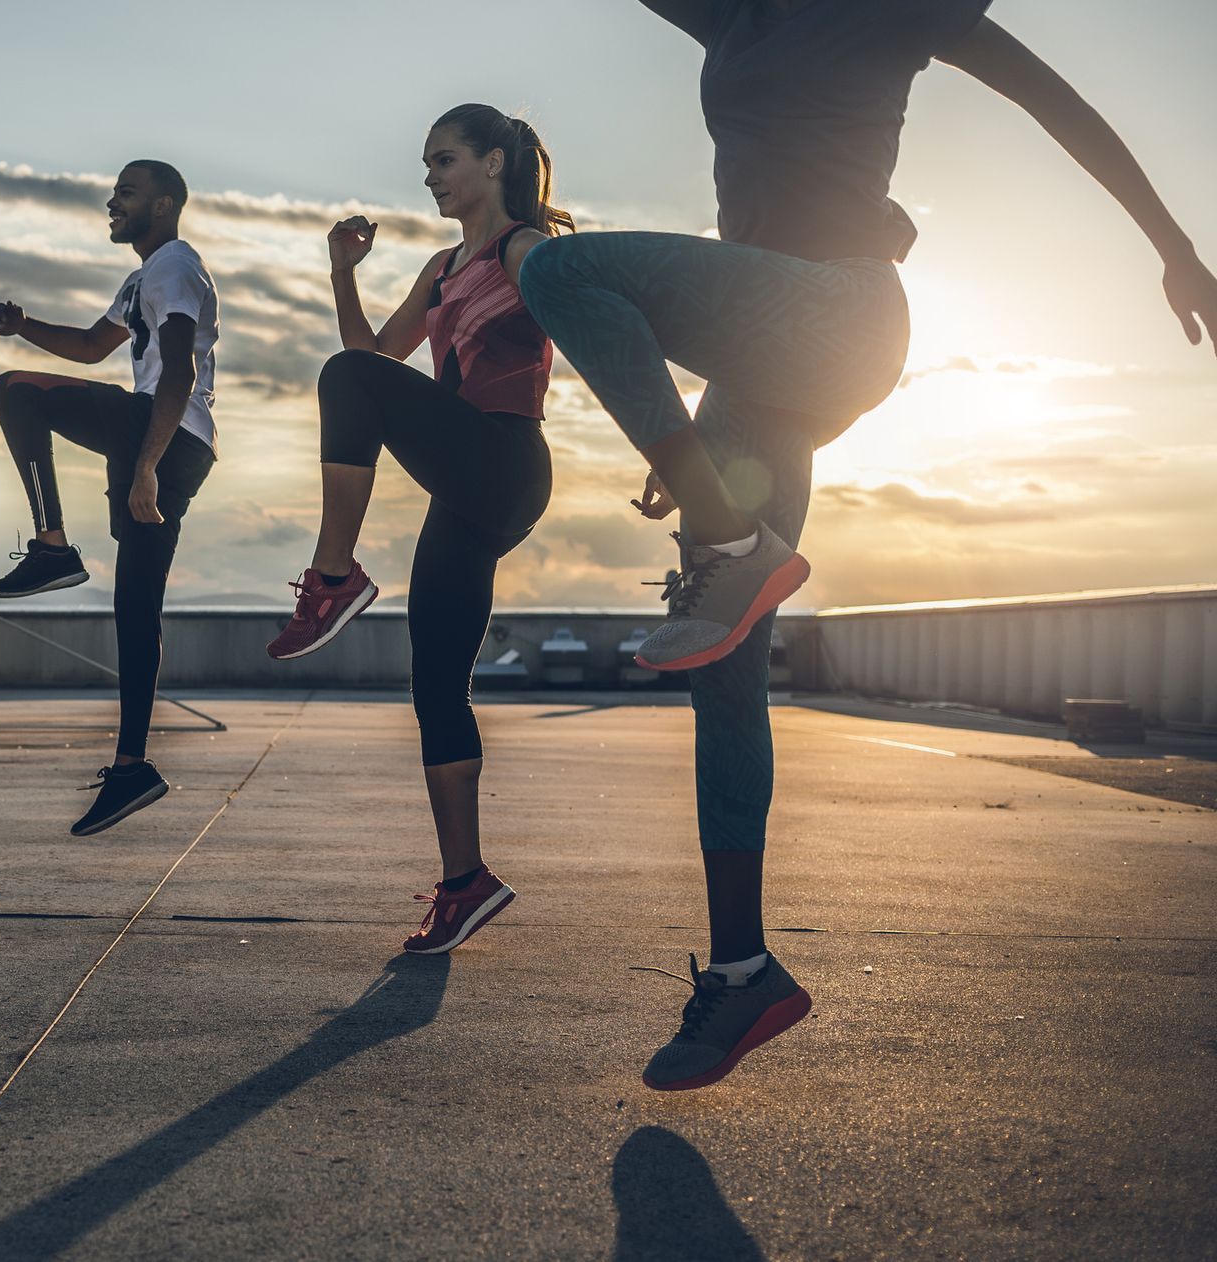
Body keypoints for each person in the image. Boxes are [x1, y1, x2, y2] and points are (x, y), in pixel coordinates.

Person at [514, 0, 1217, 1090]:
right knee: (722, 658)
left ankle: (733, 534)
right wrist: (693, 431)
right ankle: (745, 969)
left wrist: (1174, 247)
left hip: (842, 314)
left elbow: (1058, 105)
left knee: (558, 272)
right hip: (760, 355)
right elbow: (745, 255)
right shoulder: (731, 15)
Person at [266, 104, 574, 954]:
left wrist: (670, 452)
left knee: (346, 379)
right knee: (436, 682)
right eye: (427, 163)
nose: (431, 176)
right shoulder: (442, 269)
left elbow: (597, 332)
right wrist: (340, 272)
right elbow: (375, 356)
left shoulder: (526, 250)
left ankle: (334, 578)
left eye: (445, 160)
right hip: (463, 485)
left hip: (504, 458)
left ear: (496, 162)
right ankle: (464, 881)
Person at [0, 159, 220, 837]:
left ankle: (52, 547)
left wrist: (145, 463)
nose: (111, 203)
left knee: (16, 391)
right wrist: (25, 322)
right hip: (175, 444)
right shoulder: (146, 275)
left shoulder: (173, 264)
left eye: (127, 193)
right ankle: (132, 766)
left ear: (165, 204)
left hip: (159, 433)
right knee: (136, 606)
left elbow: (181, 367)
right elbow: (91, 348)